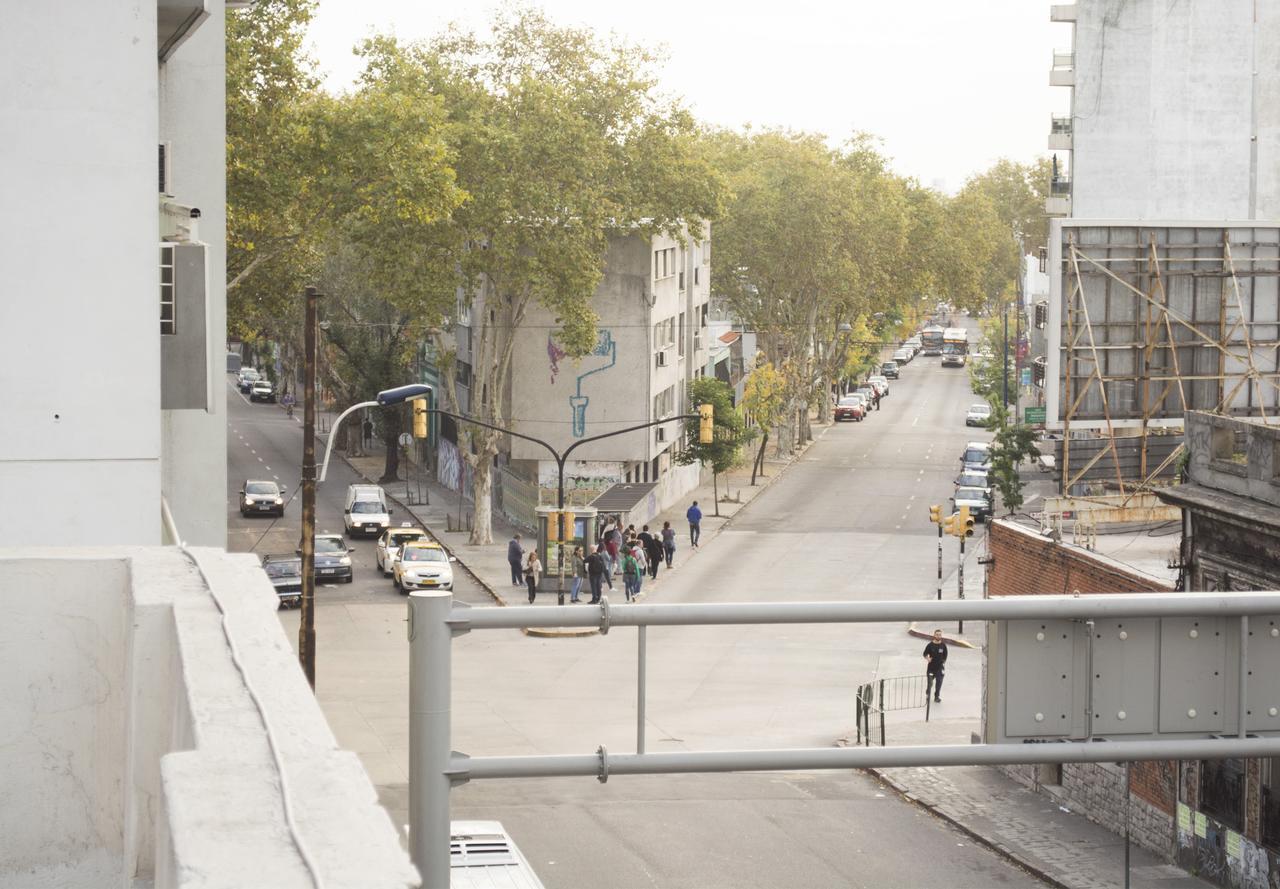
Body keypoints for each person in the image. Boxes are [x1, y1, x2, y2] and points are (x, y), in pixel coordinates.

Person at [923, 629, 948, 703]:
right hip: (931, 668)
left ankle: (936, 697)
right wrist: (928, 659)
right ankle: (928, 693)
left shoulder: (943, 645)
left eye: (940, 634)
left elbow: (945, 656)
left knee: (939, 683)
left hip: (939, 668)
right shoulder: (930, 645)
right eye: (937, 634)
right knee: (930, 683)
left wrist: (943, 663)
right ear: (934, 635)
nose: (938, 636)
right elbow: (924, 654)